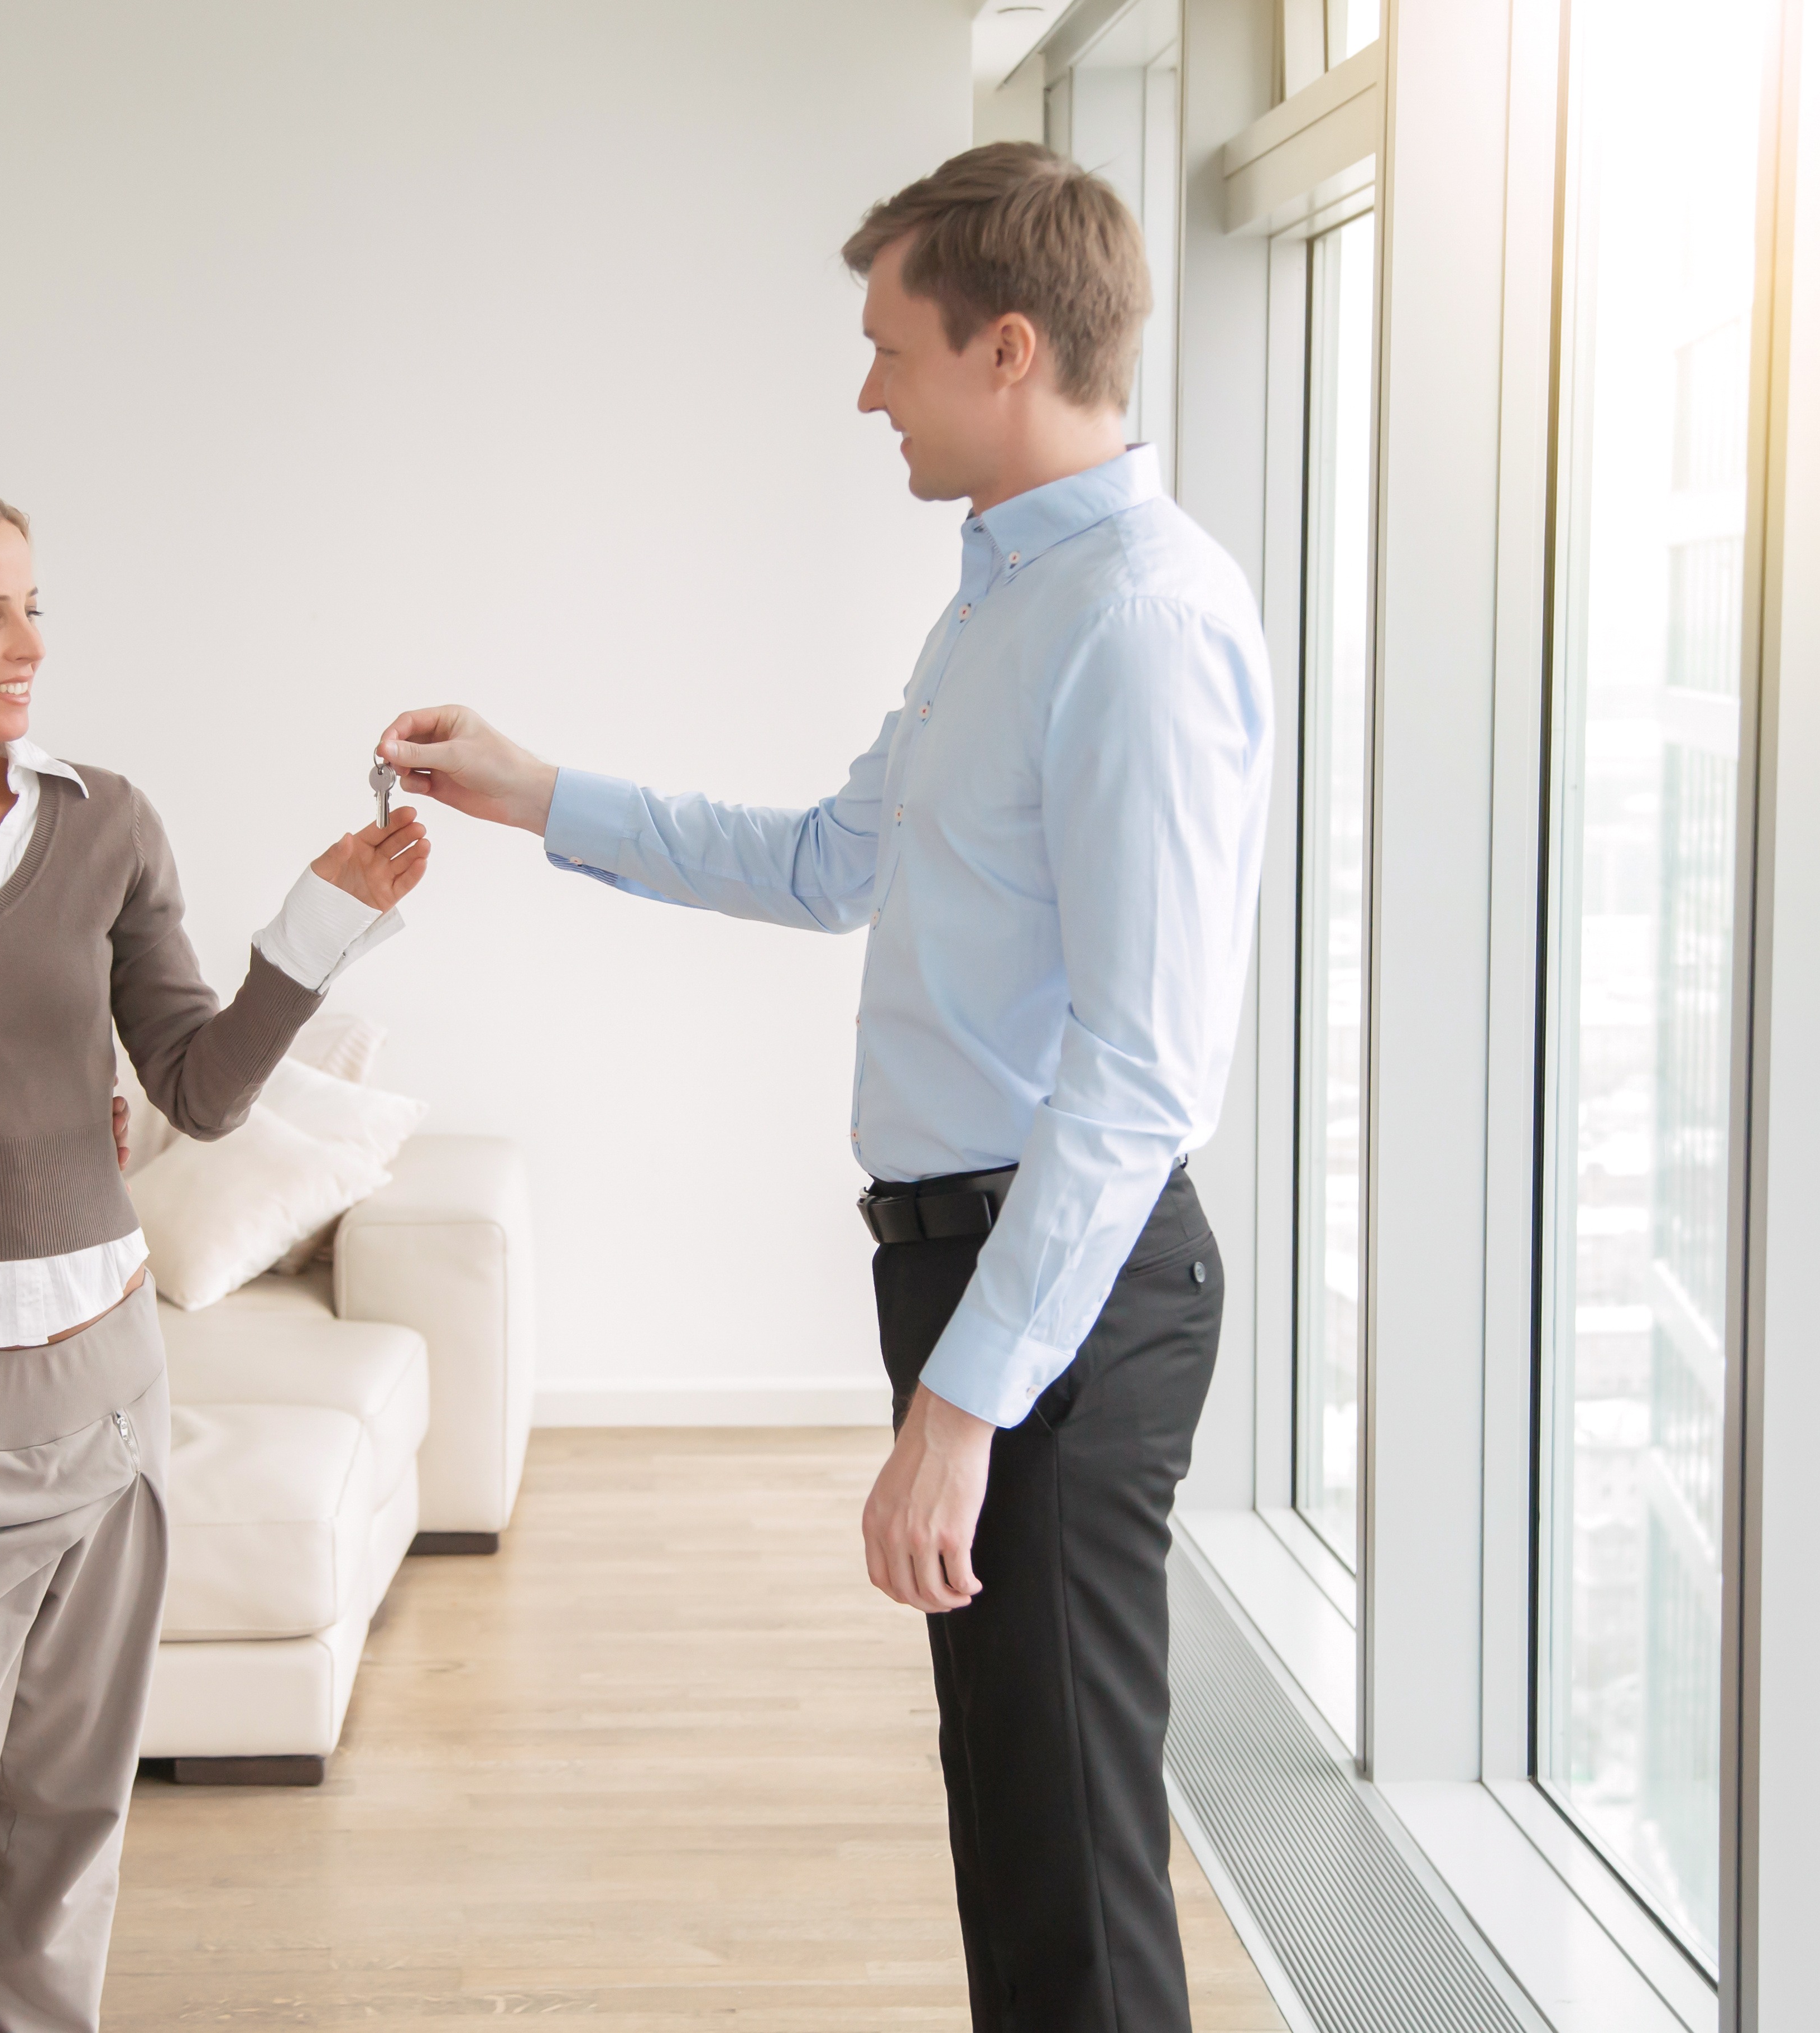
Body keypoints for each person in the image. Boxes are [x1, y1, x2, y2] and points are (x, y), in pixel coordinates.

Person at [377, 142, 1270, 2033]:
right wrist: (538, 791)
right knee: (1017, 1816)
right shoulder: (1007, 604)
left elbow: (1140, 1067)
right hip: (973, 1274)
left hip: (1059, 1294)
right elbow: (826, 858)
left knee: (1073, 1849)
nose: (866, 390)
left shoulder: (1137, 622)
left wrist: (968, 1394)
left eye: (892, 348)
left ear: (1007, 346)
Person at [0, 473, 428, 2031]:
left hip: (108, 1380)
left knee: (68, 1830)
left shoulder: (103, 819)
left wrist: (314, 927)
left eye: (32, 607)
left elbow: (195, 1086)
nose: (25, 646)